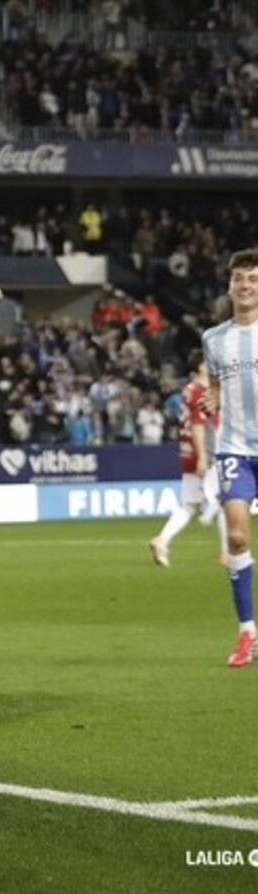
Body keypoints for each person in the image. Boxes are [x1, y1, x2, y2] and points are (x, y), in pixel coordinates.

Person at [201, 248, 258, 668]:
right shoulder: (213, 339)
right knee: (237, 538)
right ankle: (247, 634)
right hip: (234, 448)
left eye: (253, 279)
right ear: (229, 285)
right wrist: (212, 397)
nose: (245, 285)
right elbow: (217, 383)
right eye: (239, 278)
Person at [149, 351, 226, 568]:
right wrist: (203, 457)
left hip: (188, 452)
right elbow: (198, 424)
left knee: (190, 505)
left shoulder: (190, 389)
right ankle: (227, 553)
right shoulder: (201, 391)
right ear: (201, 367)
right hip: (204, 453)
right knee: (225, 501)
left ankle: (162, 540)